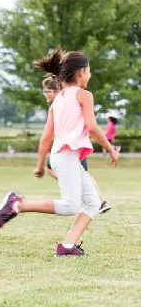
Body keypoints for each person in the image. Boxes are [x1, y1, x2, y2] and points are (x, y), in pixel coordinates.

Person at [0, 47, 119, 257]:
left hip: (61, 156)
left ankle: (67, 246)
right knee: (71, 206)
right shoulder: (84, 95)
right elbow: (92, 128)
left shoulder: (58, 99)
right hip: (66, 156)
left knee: (93, 203)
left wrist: (41, 164)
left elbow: (45, 138)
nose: (90, 74)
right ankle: (17, 205)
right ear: (81, 72)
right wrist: (110, 149)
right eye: (89, 70)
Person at [42, 75, 111, 214]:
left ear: (56, 91)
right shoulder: (58, 105)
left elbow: (91, 126)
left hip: (71, 147)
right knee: (76, 174)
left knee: (78, 181)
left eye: (47, 91)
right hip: (66, 148)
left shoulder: (67, 100)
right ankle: (94, 198)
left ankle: (99, 200)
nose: (45, 94)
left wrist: (109, 148)